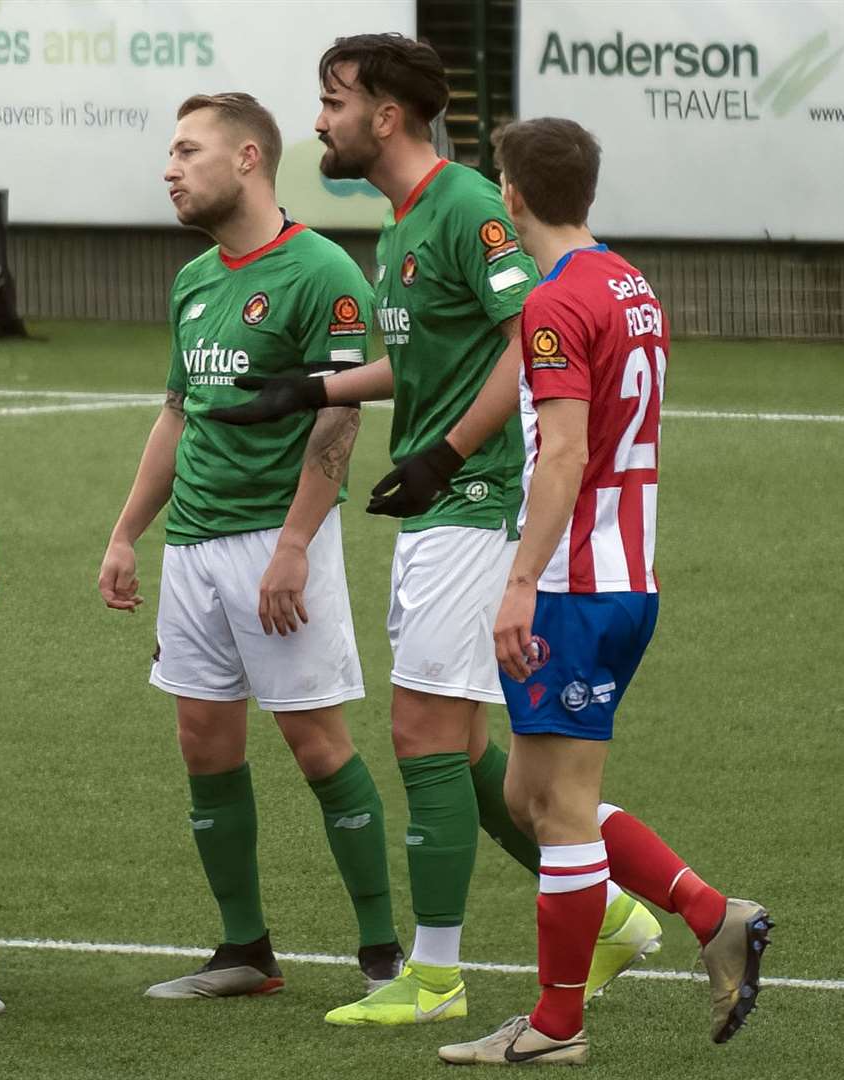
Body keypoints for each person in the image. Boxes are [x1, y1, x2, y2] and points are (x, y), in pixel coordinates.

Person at [210, 33, 662, 1026]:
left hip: (479, 498)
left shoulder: (463, 208)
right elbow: (428, 363)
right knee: (455, 746)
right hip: (445, 503)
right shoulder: (405, 220)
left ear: (386, 116)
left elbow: (522, 341)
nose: (317, 120)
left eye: (332, 100)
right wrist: (312, 390)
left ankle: (438, 975)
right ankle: (617, 915)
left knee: (424, 729)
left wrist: (447, 454)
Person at [434, 118, 770, 1066]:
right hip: (625, 580)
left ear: (512, 194)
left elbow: (568, 453)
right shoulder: (629, 282)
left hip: (576, 588)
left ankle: (554, 1026)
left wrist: (518, 583)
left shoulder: (555, 301)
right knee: (533, 792)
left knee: (562, 808)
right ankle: (712, 914)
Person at [98, 91, 402, 1001]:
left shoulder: (322, 272)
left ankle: (386, 954)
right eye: (170, 152)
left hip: (276, 539)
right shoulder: (194, 280)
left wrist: (297, 543)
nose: (169, 168)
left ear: (248, 160)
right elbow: (178, 413)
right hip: (193, 545)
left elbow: (342, 409)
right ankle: (245, 951)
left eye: (188, 150)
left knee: (316, 742)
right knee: (204, 741)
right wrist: (126, 534)